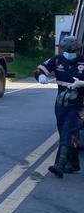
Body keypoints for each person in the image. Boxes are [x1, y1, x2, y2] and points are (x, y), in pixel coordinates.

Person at [37, 36, 84, 178]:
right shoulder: (58, 60)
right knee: (67, 131)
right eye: (66, 50)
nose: (70, 52)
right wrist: (41, 76)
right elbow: (41, 68)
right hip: (62, 102)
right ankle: (74, 164)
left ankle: (60, 165)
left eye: (72, 50)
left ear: (77, 49)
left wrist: (81, 83)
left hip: (80, 103)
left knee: (68, 131)